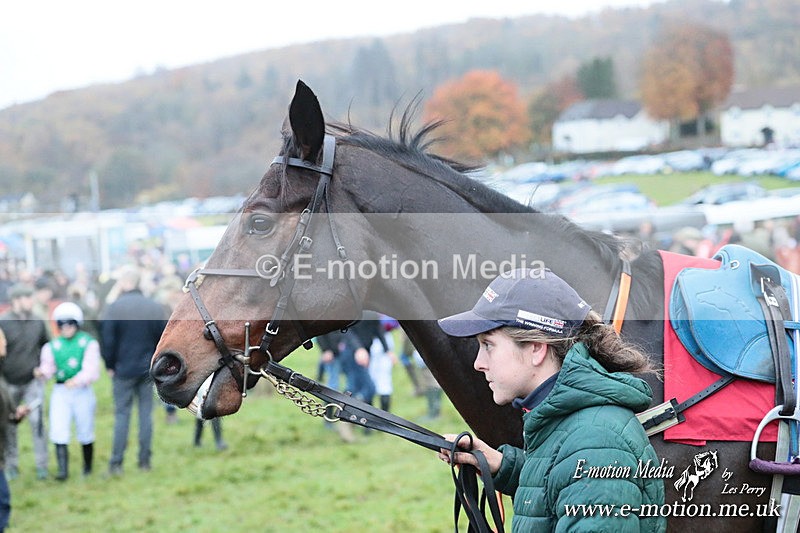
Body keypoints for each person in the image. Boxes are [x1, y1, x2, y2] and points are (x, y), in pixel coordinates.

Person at [436, 268, 665, 532]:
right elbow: (561, 480)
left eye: (488, 345)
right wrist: (503, 466)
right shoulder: (573, 429)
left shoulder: (595, 443)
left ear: (536, 348)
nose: (478, 363)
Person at [99, 266, 167, 475]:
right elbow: (163, 339)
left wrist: (110, 365)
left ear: (124, 283)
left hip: (122, 369)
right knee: (146, 415)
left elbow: (107, 340)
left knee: (122, 416)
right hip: (148, 369)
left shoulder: (114, 308)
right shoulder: (154, 307)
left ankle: (116, 463)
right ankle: (144, 461)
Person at [35, 302, 100, 480]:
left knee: (85, 428)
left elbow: (92, 370)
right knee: (58, 428)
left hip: (82, 390)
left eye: (69, 324)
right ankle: (62, 471)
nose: (66, 328)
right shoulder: (52, 346)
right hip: (61, 390)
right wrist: (42, 372)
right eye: (62, 324)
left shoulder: (88, 343)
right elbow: (48, 368)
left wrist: (78, 380)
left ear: (76, 324)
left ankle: (87, 467)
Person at [0, 283, 50, 480]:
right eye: (27, 297)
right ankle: (11, 465)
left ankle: (42, 466)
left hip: (32, 382)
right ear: (16, 300)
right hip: (7, 383)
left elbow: (47, 347)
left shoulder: (37, 321)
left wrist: (43, 368)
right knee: (8, 424)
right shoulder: (3, 322)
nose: (31, 301)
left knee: (37, 424)